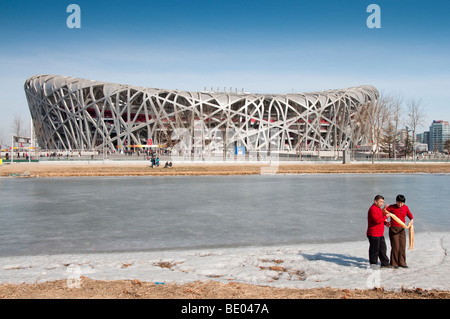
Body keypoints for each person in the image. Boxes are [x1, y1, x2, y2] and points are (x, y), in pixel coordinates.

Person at [385, 195, 414, 268]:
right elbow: (383, 213)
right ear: (396, 201)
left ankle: (402, 263)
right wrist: (385, 222)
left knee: (402, 246)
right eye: (399, 202)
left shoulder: (405, 207)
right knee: (396, 247)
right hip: (394, 229)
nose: (400, 204)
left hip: (402, 229)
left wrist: (411, 220)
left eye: (402, 203)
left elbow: (410, 215)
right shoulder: (392, 207)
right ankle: (394, 263)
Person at [366, 195, 391, 268]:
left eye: (382, 202)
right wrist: (386, 216)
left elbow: (380, 219)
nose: (381, 203)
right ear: (375, 201)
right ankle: (373, 265)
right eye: (380, 202)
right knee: (374, 250)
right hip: (373, 233)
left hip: (380, 233)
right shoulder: (373, 209)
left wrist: (385, 223)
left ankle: (385, 263)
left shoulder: (379, 209)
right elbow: (376, 220)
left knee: (383, 249)